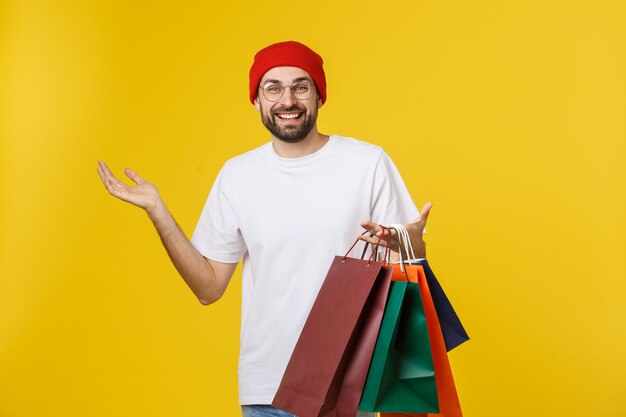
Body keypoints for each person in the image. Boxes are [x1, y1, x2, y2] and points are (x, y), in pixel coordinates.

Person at [97, 40, 431, 417]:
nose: (287, 100)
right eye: (273, 88)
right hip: (266, 390)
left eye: (300, 86)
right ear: (256, 100)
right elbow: (208, 289)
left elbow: (408, 269)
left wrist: (411, 243)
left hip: (346, 383)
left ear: (319, 96)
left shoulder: (367, 163)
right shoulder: (238, 175)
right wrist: (158, 211)